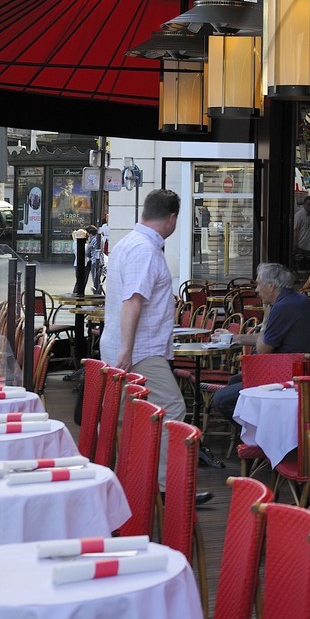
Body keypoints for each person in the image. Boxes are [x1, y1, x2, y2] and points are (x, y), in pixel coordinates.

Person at [99, 189, 198, 491]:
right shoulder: (146, 250)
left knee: (129, 415)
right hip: (141, 350)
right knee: (172, 408)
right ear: (172, 219)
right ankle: (164, 486)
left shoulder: (128, 243)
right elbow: (132, 301)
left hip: (124, 346)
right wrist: (127, 350)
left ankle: (129, 480)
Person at [211, 260, 310, 425]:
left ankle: (263, 431)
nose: (256, 290)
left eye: (259, 284)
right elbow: (269, 338)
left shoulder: (282, 307)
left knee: (221, 399)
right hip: (300, 369)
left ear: (271, 286)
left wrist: (265, 319)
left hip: (287, 377)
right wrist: (235, 338)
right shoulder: (296, 299)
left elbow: (263, 349)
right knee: (234, 380)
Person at [293, 195, 310, 271]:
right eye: (308, 205)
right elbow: (295, 230)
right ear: (304, 204)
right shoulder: (298, 215)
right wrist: (295, 244)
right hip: (301, 245)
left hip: (308, 245)